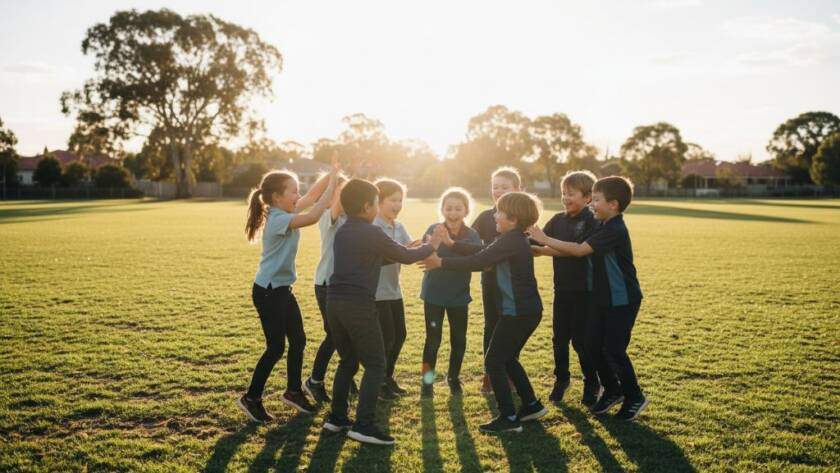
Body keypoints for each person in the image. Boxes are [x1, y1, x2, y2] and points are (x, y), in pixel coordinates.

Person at [323, 178, 446, 445]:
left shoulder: (344, 230)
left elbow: (378, 258)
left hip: (335, 303)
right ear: (368, 206)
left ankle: (336, 418)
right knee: (376, 364)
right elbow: (405, 257)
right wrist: (433, 243)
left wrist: (404, 250)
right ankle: (364, 425)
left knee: (348, 361)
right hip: (358, 305)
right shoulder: (371, 232)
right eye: (377, 202)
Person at [422, 192, 548, 433]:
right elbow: (482, 251)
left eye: (498, 212)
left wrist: (441, 262)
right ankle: (531, 404)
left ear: (512, 218)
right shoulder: (512, 238)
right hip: (526, 311)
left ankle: (508, 418)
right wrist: (450, 244)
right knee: (508, 358)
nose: (495, 215)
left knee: (494, 360)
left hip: (518, 313)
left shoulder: (510, 240)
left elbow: (478, 261)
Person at [529, 176, 648, 421]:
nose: (592, 205)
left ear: (613, 204)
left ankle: (634, 395)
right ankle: (613, 390)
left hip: (622, 299)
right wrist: (539, 247)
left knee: (614, 350)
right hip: (601, 299)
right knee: (591, 346)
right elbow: (570, 249)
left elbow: (580, 250)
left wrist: (545, 240)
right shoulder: (602, 224)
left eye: (596, 200)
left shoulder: (614, 228)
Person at [237, 166, 337, 423]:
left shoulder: (285, 209)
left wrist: (329, 174)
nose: (298, 195)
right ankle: (251, 398)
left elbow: (311, 197)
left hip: (281, 289)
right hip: (269, 291)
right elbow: (314, 214)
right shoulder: (279, 218)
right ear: (276, 197)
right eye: (293, 191)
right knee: (276, 347)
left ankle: (293, 392)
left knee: (299, 340)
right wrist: (333, 184)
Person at [419, 188, 481, 397]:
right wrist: (434, 241)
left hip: (459, 297)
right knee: (433, 340)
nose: (453, 213)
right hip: (434, 295)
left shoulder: (471, 235)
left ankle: (453, 378)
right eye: (449, 209)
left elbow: (473, 258)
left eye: (458, 209)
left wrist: (449, 247)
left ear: (465, 211)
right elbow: (426, 255)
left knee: (459, 340)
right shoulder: (433, 228)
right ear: (442, 210)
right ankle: (427, 382)